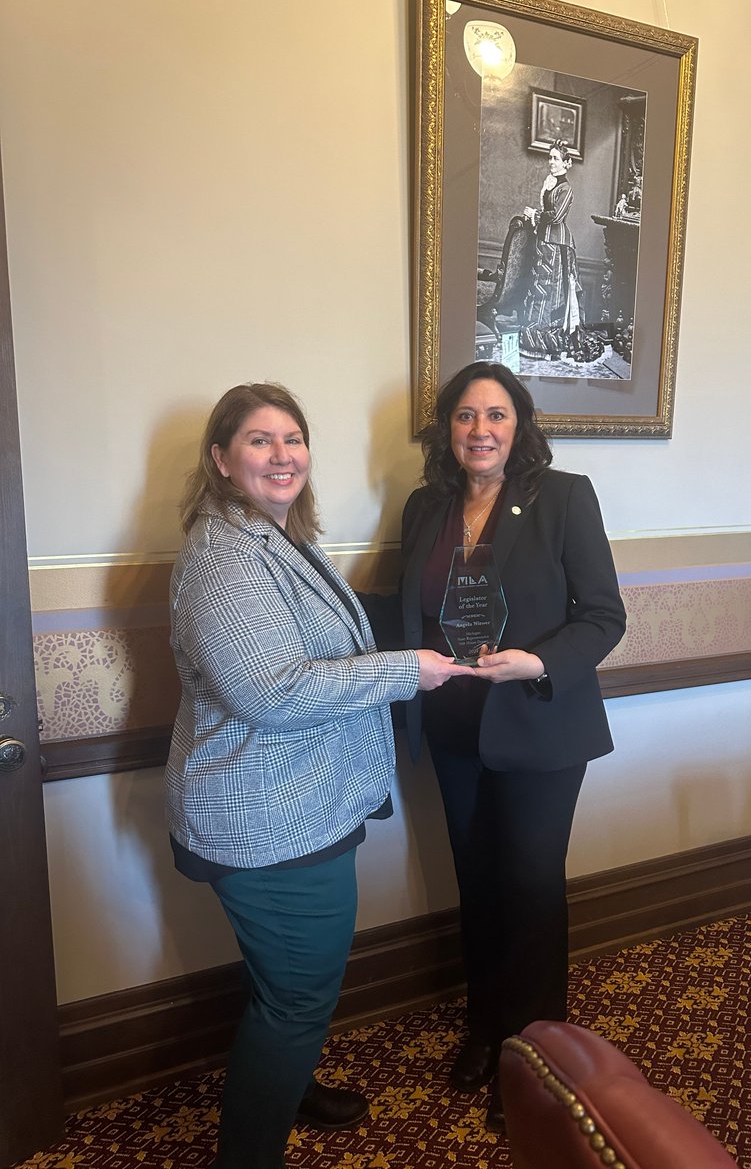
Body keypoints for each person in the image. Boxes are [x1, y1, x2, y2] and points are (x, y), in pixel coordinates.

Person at [165, 382, 472, 1169]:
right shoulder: (224, 554)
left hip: (298, 807)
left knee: (284, 988)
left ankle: (290, 1084)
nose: (281, 455)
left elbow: (319, 637)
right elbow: (272, 689)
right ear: (220, 459)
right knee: (297, 999)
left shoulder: (274, 536)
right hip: (267, 819)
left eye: (292, 439)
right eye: (259, 441)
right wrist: (409, 669)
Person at [364, 362, 626, 1132]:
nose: (481, 430)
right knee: (477, 885)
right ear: (447, 430)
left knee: (532, 890)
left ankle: (537, 1059)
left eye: (497, 416)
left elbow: (603, 616)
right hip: (453, 727)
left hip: (539, 725)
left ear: (520, 426)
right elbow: (406, 606)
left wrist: (537, 664)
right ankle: (486, 1028)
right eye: (466, 417)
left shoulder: (565, 497)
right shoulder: (424, 506)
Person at [520, 139, 585, 359]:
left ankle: (549, 345)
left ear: (567, 163)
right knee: (539, 287)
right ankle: (533, 341)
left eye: (556, 158)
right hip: (544, 242)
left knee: (551, 291)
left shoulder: (565, 188)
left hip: (557, 246)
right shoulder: (551, 183)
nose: (552, 162)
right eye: (550, 157)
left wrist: (535, 215)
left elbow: (556, 217)